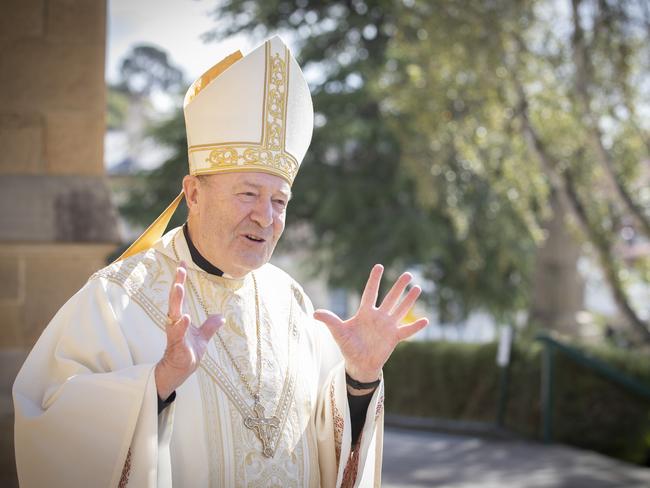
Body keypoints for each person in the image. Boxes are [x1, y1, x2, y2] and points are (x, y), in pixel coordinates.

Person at [13, 36, 428, 487]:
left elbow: (323, 441)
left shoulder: (290, 301)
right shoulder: (115, 299)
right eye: (248, 193)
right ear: (193, 193)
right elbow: (50, 420)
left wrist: (360, 380)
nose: (265, 216)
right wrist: (154, 386)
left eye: (280, 200)